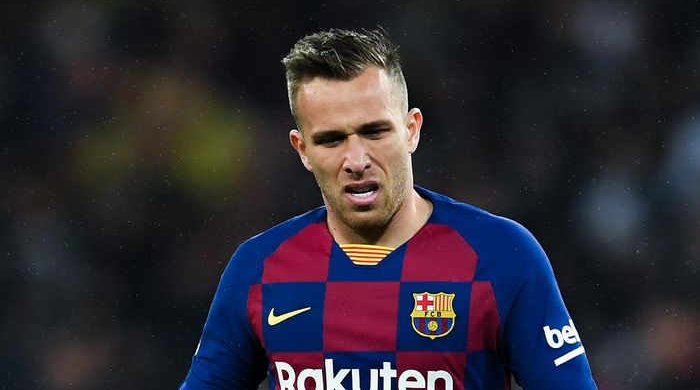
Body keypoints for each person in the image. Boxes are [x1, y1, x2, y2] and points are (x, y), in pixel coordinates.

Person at [181, 28, 597, 390]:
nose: (356, 158)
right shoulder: (259, 268)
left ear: (411, 129)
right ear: (303, 150)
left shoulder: (501, 255)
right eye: (331, 140)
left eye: (374, 131)